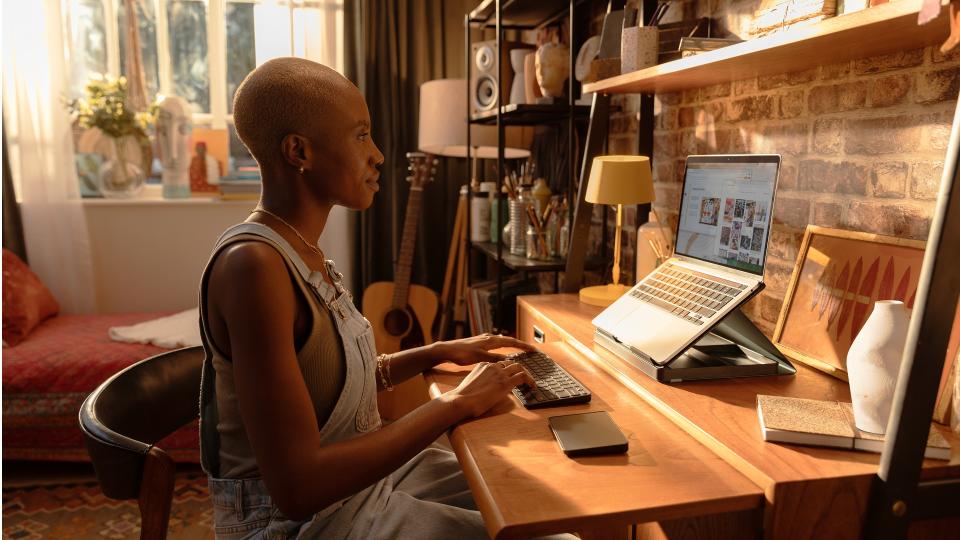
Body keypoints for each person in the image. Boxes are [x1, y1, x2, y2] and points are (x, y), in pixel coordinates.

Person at [198, 57, 538, 539]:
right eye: (361, 135)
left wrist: (439, 352)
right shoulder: (253, 268)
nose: (378, 155)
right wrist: (455, 404)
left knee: (530, 496)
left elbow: (342, 382)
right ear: (299, 151)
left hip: (355, 488)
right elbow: (298, 487)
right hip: (296, 523)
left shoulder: (305, 251)